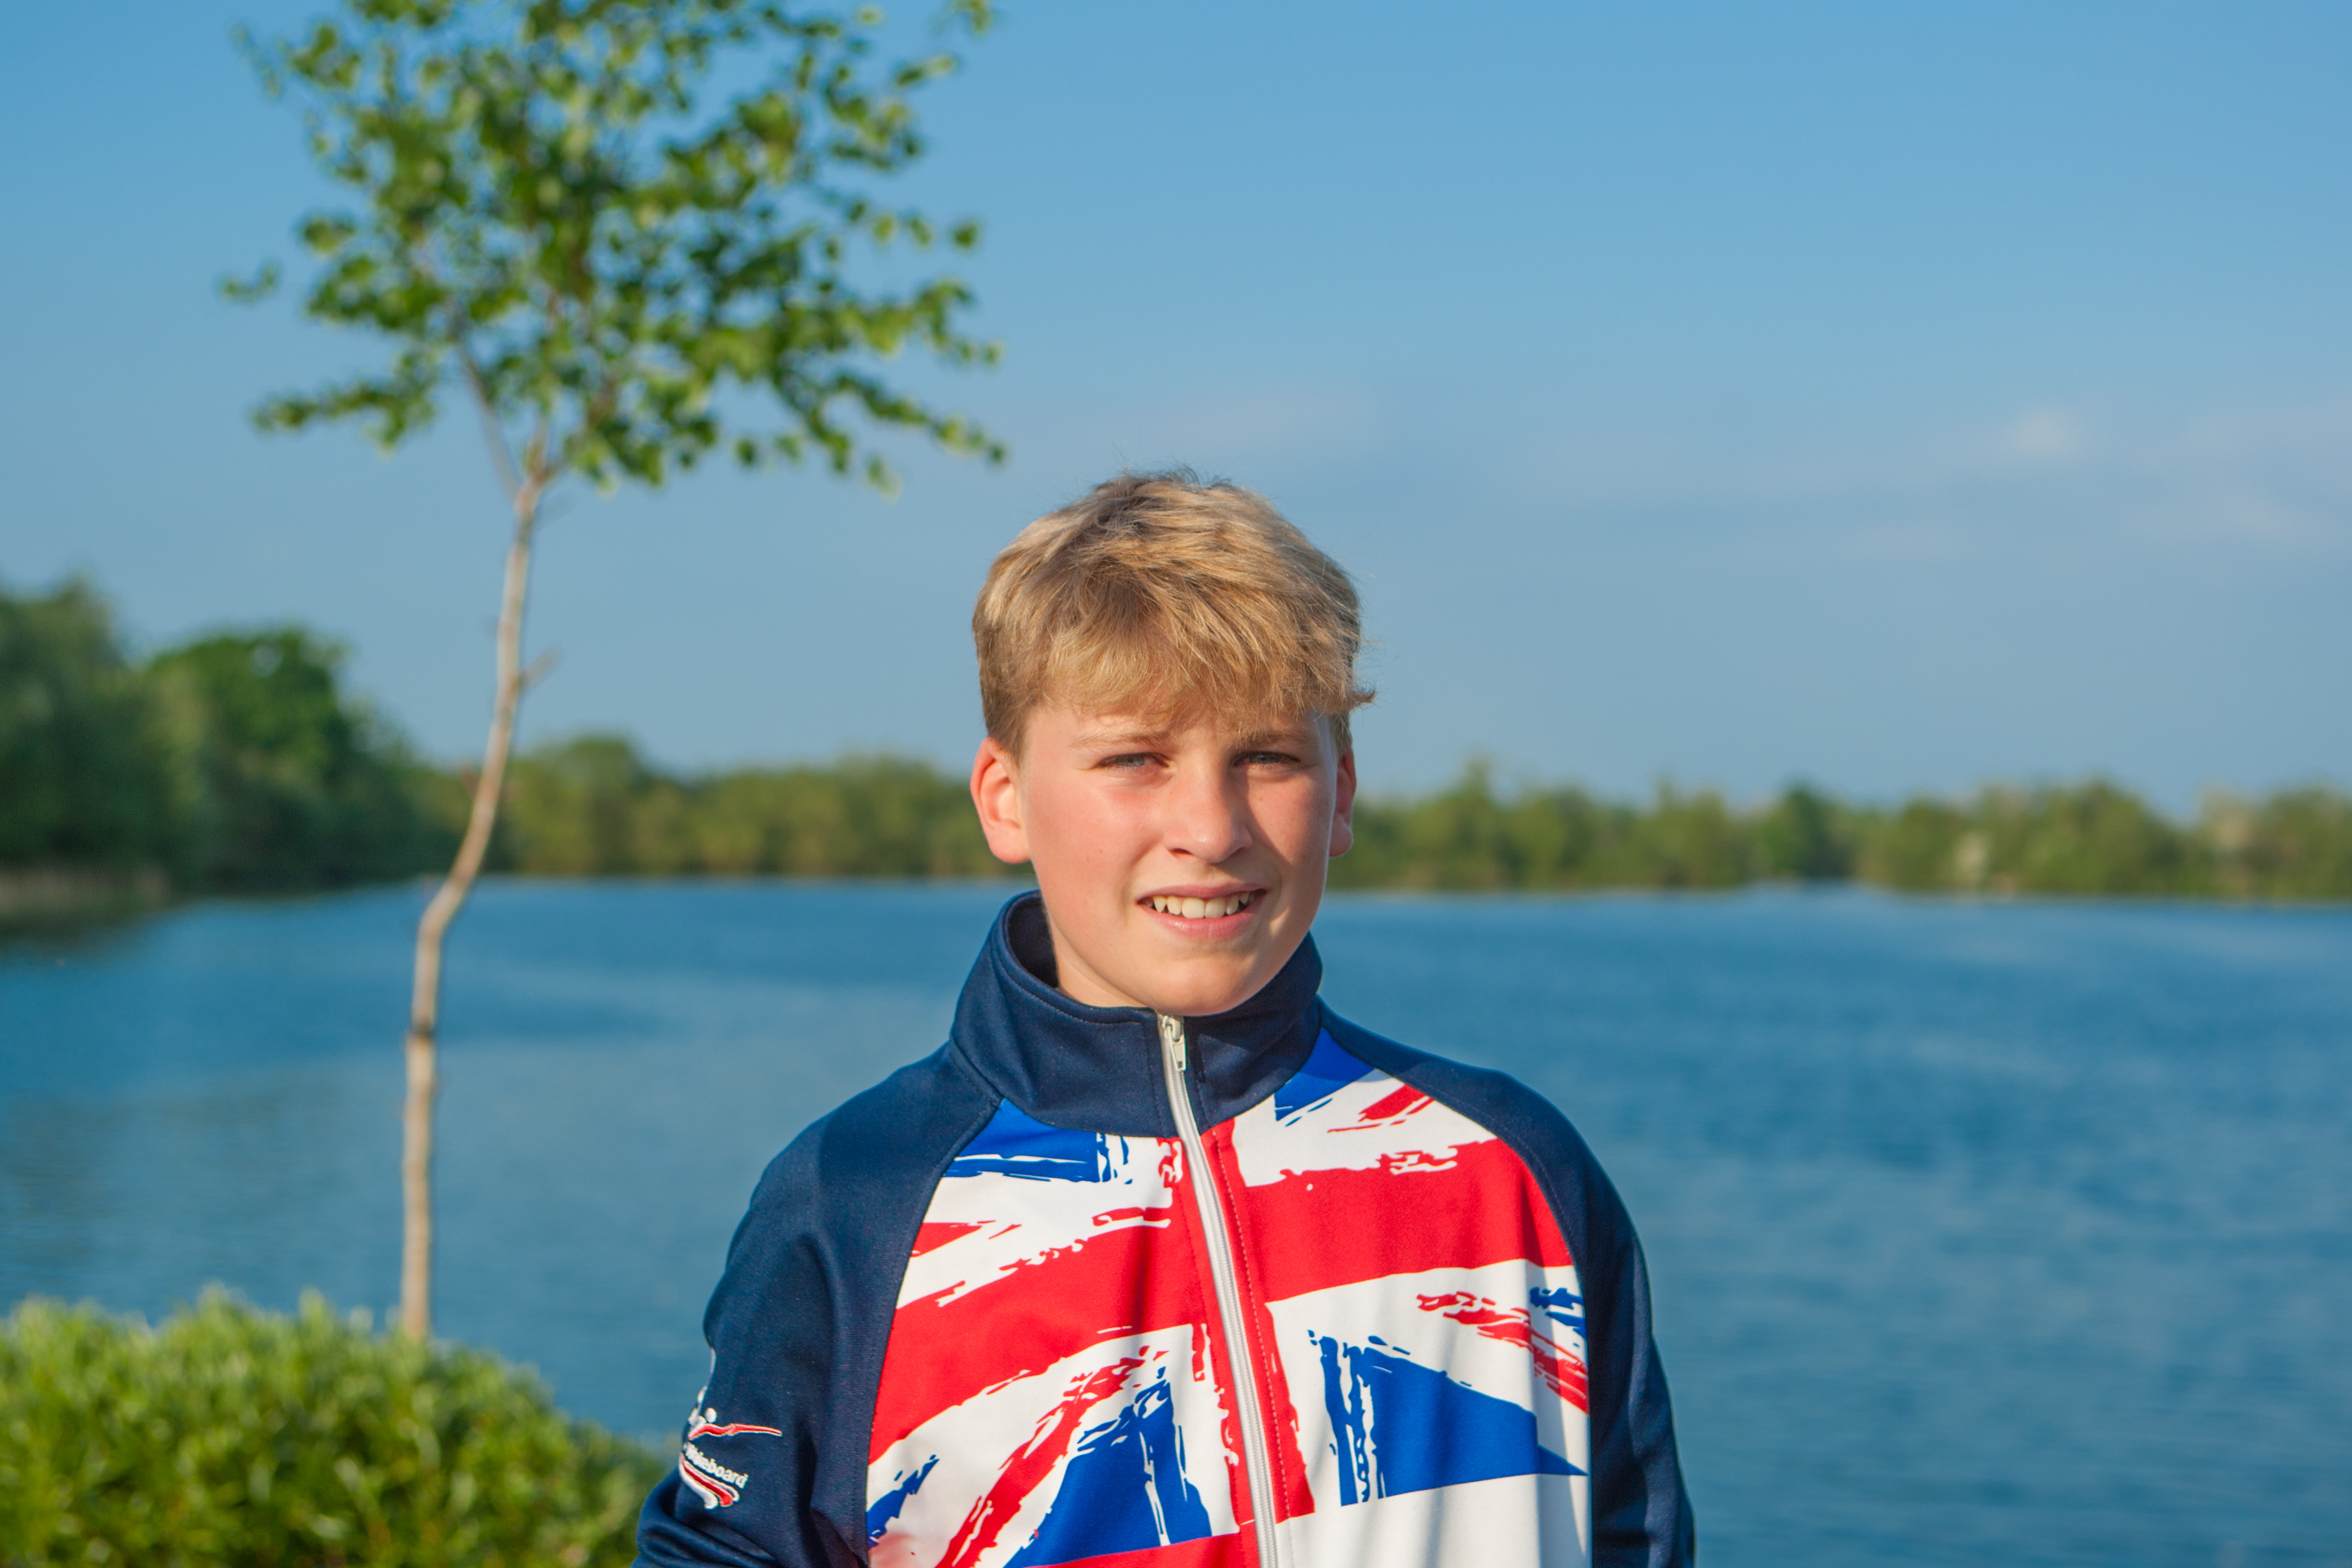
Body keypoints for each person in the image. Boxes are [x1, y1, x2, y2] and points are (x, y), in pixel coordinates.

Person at [635, 472, 1694, 1568]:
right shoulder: (858, 1199)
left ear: (1340, 793)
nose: (1211, 826)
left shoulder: (1512, 1172)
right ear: (1005, 797)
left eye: (1267, 756)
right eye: (1135, 758)